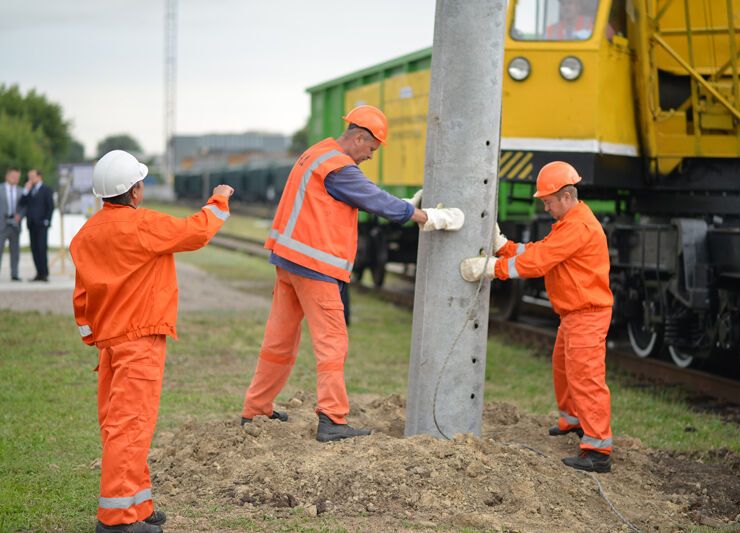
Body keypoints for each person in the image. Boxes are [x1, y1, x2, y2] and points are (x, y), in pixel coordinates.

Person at [241, 105, 464, 442]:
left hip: (289, 261)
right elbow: (374, 199)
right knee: (333, 343)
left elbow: (364, 196)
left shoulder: (317, 153)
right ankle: (332, 419)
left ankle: (255, 410)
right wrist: (427, 217)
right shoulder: (339, 168)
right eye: (371, 149)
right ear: (359, 137)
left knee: (280, 340)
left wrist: (402, 204)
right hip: (314, 266)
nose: (370, 156)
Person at [70, 150, 234, 533]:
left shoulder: (85, 236)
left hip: (110, 344)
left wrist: (94, 336)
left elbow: (82, 298)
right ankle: (116, 520)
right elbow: (196, 231)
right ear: (135, 191)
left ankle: (138, 507)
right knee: (132, 426)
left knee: (121, 426)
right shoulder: (142, 226)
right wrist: (220, 199)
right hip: (140, 340)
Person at [459, 161, 614, 473]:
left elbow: (538, 262)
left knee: (585, 377)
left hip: (586, 314)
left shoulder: (578, 227)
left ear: (566, 197)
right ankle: (573, 423)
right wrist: (505, 247)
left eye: (548, 202)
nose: (546, 208)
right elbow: (539, 251)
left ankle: (598, 449)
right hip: (575, 314)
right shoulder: (570, 224)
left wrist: (493, 269)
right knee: (564, 369)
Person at [18, 168, 54, 281]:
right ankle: (38, 273)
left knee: (42, 248)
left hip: (42, 224)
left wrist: (47, 220)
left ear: (39, 177)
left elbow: (50, 206)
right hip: (31, 224)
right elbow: (21, 203)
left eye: (32, 176)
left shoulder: (46, 189)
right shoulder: (29, 190)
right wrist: (26, 190)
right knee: (34, 249)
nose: (30, 179)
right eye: (29, 177)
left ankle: (44, 274)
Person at [0, 167, 24, 281]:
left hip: (15, 225)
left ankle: (14, 274)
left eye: (17, 177)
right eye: (13, 177)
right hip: (2, 225)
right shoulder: (0, 189)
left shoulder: (21, 191)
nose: (15, 179)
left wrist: (20, 215)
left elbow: (25, 207)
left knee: (15, 251)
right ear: (7, 176)